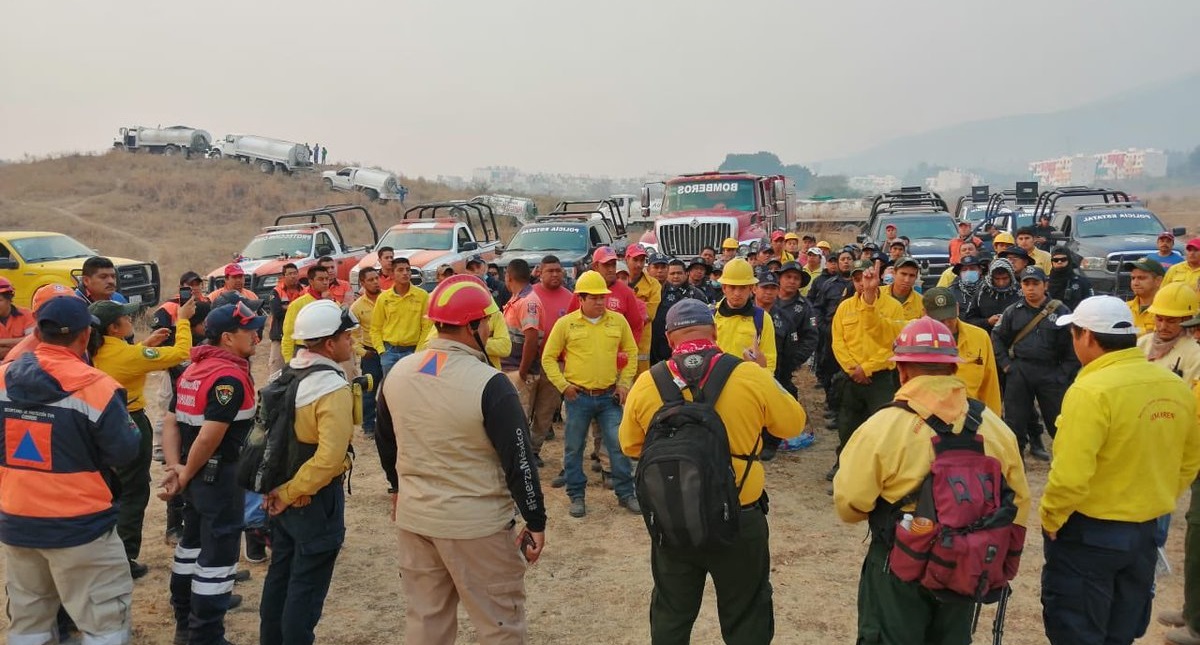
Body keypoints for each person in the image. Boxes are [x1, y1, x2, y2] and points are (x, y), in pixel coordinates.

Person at [834, 316, 1030, 645]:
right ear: (954, 369)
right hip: (965, 564)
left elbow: (850, 504)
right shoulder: (995, 428)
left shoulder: (883, 426)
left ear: (903, 370)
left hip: (899, 560)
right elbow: (1018, 504)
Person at [619, 299, 803, 643]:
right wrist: (764, 374)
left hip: (675, 515)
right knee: (746, 611)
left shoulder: (648, 382)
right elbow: (794, 424)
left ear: (670, 338)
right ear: (715, 332)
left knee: (672, 613)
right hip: (739, 515)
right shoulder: (748, 375)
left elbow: (630, 445)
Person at [374, 276, 545, 645]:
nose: (488, 326)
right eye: (485, 321)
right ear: (471, 327)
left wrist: (397, 489)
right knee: (500, 624)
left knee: (426, 620)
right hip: (477, 526)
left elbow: (387, 444)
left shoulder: (399, 373)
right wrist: (536, 519)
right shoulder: (490, 383)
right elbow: (520, 461)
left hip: (416, 519)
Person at [1041, 296, 1200, 645]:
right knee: (1122, 629)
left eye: (1074, 335)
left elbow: (1070, 475)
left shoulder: (1091, 390)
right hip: (1144, 532)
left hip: (1088, 534)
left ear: (1086, 337)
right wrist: (1156, 496)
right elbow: (1189, 460)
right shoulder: (1174, 387)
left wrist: (1052, 517)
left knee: (1077, 628)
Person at [0, 296, 140, 645]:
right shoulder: (97, 387)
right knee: (104, 620)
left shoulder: (3, 378)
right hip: (81, 525)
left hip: (17, 520)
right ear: (83, 337)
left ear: (37, 332)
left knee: (29, 620)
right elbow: (124, 452)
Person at [161, 303, 264, 645]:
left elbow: (172, 421)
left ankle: (184, 622)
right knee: (218, 559)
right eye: (249, 331)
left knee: (191, 545)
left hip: (196, 476)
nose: (257, 336)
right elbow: (211, 434)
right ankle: (206, 635)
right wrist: (186, 473)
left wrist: (176, 468)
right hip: (218, 478)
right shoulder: (228, 377)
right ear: (227, 338)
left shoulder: (193, 369)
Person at [259, 300, 358, 645]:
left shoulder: (284, 375)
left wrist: (280, 493)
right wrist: (289, 495)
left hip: (280, 493)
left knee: (280, 577)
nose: (352, 342)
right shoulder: (330, 386)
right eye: (347, 336)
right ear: (329, 343)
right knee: (306, 587)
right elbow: (330, 459)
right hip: (311, 500)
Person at [91, 297, 195, 579]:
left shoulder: (96, 351)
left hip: (96, 424)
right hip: (128, 423)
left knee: (107, 490)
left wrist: (145, 346)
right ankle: (124, 557)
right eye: (124, 318)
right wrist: (183, 320)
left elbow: (125, 360)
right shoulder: (126, 355)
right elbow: (181, 353)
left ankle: (102, 553)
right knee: (133, 491)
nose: (129, 320)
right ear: (114, 328)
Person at [542, 270, 639, 518]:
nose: (599, 302)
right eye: (593, 297)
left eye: (602, 297)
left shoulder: (618, 321)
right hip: (578, 398)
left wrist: (624, 383)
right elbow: (548, 358)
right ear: (581, 299)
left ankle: (626, 493)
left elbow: (631, 352)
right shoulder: (566, 324)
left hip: (609, 397)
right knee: (574, 448)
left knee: (618, 445)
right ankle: (576, 495)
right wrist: (564, 386)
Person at [991, 267, 1079, 460]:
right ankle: (1017, 461)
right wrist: (1006, 365)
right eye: (1026, 284)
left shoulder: (1061, 311)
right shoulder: (1013, 311)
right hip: (1020, 370)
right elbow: (997, 337)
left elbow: (1073, 345)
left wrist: (1064, 373)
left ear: (1045, 285)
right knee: (1015, 420)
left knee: (1058, 421)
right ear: (1021, 286)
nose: (1031, 288)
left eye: (1035, 283)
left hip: (1051, 371)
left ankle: (1066, 460)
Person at [830, 260, 905, 476]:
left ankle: (882, 472)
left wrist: (868, 368)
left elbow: (894, 344)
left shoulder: (892, 307)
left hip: (880, 379)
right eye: (856, 279)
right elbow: (838, 341)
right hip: (851, 377)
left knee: (882, 427)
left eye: (865, 277)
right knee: (847, 426)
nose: (862, 283)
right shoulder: (844, 307)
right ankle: (843, 467)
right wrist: (853, 369)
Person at [501, 259, 546, 463]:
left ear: (509, 277)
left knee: (518, 418)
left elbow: (530, 338)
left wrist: (522, 371)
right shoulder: (518, 299)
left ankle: (522, 459)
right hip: (512, 367)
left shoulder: (528, 302)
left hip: (520, 370)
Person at [713, 258, 776, 372]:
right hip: (715, 384)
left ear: (751, 288)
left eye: (743, 287)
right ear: (724, 288)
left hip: (746, 383)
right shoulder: (710, 315)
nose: (737, 293)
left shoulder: (762, 318)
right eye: (732, 287)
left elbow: (769, 361)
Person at [372, 257, 431, 376]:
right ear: (392, 274)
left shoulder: (422, 296)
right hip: (390, 352)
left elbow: (427, 327)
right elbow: (375, 328)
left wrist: (419, 351)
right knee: (389, 389)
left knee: (414, 386)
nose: (405, 273)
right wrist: (382, 351)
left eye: (408, 270)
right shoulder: (384, 298)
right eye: (400, 270)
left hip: (414, 351)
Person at [1139, 282, 1200, 384]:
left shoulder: (1195, 354)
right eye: (1159, 319)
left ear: (1187, 319)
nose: (1163, 327)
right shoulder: (1141, 343)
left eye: (1171, 321)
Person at [651, 258, 708, 363]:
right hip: (658, 343)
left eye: (679, 273)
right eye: (672, 273)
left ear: (686, 274)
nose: (676, 276)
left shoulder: (695, 294)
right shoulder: (657, 292)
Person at [351, 266, 383, 438]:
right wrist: (362, 352)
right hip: (371, 354)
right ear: (362, 283)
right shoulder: (357, 307)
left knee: (392, 390)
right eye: (370, 280)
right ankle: (369, 426)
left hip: (391, 350)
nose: (375, 282)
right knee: (369, 391)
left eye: (376, 278)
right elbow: (352, 334)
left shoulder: (389, 298)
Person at [281, 264, 332, 364]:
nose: (325, 282)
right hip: (303, 351)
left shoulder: (333, 303)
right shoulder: (297, 304)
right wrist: (288, 361)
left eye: (327, 279)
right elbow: (288, 335)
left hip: (327, 350)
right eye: (321, 279)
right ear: (311, 281)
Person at [775, 262, 818, 370]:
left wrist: (794, 361)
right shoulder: (767, 297)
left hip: (785, 362)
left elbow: (811, 338)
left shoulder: (806, 307)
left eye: (796, 278)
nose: (792, 281)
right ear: (780, 278)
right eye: (788, 277)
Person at [626, 244, 661, 374]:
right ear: (627, 259)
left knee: (640, 375)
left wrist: (627, 307)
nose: (639, 264)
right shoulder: (617, 281)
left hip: (642, 339)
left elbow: (650, 313)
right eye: (635, 260)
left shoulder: (653, 284)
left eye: (642, 260)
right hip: (618, 336)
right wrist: (640, 304)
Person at [267, 262, 304, 377]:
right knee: (276, 373)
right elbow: (277, 312)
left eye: (295, 273)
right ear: (284, 276)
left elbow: (306, 311)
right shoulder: (276, 291)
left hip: (299, 338)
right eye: (289, 274)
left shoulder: (305, 291)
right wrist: (296, 307)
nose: (293, 276)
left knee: (299, 373)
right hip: (279, 336)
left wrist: (287, 307)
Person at [966, 258, 1020, 332]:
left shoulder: (1020, 292)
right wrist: (987, 322)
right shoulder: (982, 292)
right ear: (991, 278)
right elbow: (969, 320)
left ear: (1011, 276)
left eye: (1005, 278)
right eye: (997, 279)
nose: (1001, 283)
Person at [1126, 257, 1166, 335]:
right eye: (1133, 278)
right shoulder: (1125, 307)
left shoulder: (1167, 309)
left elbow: (1159, 335)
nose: (1135, 283)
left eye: (1141, 278)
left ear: (1158, 281)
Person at [1048, 247, 1094, 311]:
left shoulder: (1082, 282)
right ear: (1052, 262)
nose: (1059, 262)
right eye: (1056, 260)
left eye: (1063, 259)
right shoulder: (1044, 282)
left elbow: (1090, 304)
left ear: (1069, 260)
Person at [0, 276, 33, 359]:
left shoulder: (27, 315)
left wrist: (2, 342)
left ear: (9, 299)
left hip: (24, 364)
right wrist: (19, 345)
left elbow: (33, 341)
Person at [946, 255, 983, 320]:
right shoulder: (951, 292)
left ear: (980, 270)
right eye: (964, 269)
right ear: (960, 273)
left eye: (972, 269)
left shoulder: (987, 290)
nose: (968, 272)